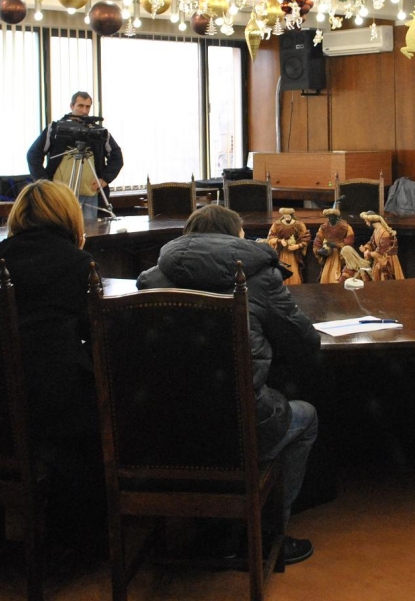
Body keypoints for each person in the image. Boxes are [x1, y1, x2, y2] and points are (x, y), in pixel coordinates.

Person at [137, 205, 320, 566]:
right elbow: (305, 342)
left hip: (164, 432)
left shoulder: (151, 280)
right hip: (238, 432)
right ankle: (267, 535)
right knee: (306, 415)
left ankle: (212, 531)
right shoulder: (258, 278)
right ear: (236, 237)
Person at [0, 180, 103, 548]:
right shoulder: (79, 264)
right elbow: (96, 335)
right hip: (56, 407)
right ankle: (85, 531)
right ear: (69, 216)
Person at [26, 91, 123, 226]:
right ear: (72, 106)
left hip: (90, 194)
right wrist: (44, 182)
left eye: (88, 107)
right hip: (59, 195)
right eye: (80, 106)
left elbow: (117, 157)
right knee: (60, 229)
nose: (84, 111)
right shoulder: (55, 129)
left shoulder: (99, 132)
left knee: (90, 232)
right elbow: (33, 155)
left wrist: (106, 178)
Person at [266, 207, 310, 285]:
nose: (286, 218)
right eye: (285, 216)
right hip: (282, 253)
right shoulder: (277, 224)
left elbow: (305, 237)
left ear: (291, 215)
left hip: (293, 254)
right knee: (281, 269)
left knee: (294, 272)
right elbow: (270, 237)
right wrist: (279, 241)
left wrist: (298, 246)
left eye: (288, 216)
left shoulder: (299, 224)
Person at [313, 208, 354, 284]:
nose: (330, 218)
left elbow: (350, 239)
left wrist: (337, 245)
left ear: (336, 217)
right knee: (326, 275)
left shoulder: (345, 227)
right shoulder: (323, 227)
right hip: (328, 253)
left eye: (332, 216)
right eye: (328, 217)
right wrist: (319, 250)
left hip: (340, 254)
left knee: (337, 275)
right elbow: (318, 240)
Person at [359, 211, 404, 281]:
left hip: (387, 260)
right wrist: (365, 247)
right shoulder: (376, 230)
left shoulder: (384, 233)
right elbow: (372, 242)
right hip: (380, 259)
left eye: (366, 221)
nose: (366, 223)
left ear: (370, 221)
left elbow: (380, 252)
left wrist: (368, 253)